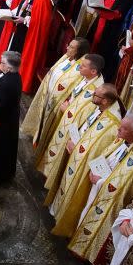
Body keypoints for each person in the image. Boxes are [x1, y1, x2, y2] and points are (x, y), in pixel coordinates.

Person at [67, 113, 133, 262]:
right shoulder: (126, 139)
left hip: (109, 199)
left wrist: (101, 182)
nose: (118, 129)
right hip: (98, 184)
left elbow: (124, 187)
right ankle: (78, 241)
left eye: (123, 128)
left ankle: (87, 254)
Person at [44, 84, 123, 225]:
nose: (92, 96)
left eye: (96, 95)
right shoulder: (100, 108)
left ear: (105, 101)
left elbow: (98, 149)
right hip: (74, 149)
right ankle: (56, 208)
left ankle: (61, 215)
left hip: (81, 161)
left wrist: (76, 148)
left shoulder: (113, 124)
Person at [37, 54, 106, 183]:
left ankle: (51, 179)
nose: (79, 66)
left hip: (72, 130)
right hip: (65, 118)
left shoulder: (97, 91)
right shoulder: (86, 77)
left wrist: (67, 109)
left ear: (93, 71)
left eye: (83, 66)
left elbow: (84, 116)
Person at [21, 38, 90, 158]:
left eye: (72, 47)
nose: (67, 47)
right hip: (48, 93)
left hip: (57, 102)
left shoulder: (79, 70)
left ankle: (41, 145)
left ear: (79, 52)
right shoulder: (66, 57)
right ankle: (36, 135)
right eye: (69, 45)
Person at [0, 0, 53, 92]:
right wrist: (10, 14)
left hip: (29, 33)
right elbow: (21, 7)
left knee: (22, 56)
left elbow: (40, 22)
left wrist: (25, 20)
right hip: (20, 29)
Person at [87, 0, 133, 80]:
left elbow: (120, 14)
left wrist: (102, 11)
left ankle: (97, 75)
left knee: (103, 50)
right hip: (100, 20)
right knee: (93, 43)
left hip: (111, 27)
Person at [0, 51, 23, 185]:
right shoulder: (8, 75)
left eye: (2, 62)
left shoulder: (9, 83)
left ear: (9, 68)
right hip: (5, 119)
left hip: (3, 124)